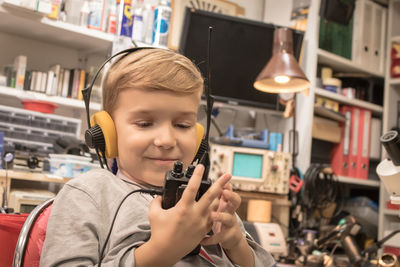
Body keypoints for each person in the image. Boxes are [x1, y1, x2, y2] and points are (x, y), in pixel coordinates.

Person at [40, 48, 275, 267]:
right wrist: (163, 251)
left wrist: (235, 244)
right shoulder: (89, 195)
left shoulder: (205, 197)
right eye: (144, 124)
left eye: (183, 125)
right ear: (106, 133)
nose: (166, 140)